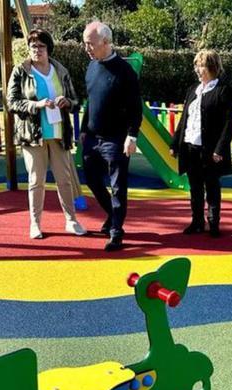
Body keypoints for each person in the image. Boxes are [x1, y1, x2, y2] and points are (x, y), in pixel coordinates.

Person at [6, 29, 86, 239]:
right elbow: (11, 102)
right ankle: (35, 223)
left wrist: (67, 102)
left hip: (59, 133)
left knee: (65, 180)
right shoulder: (20, 71)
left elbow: (76, 101)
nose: (36, 50)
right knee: (36, 181)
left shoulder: (60, 70)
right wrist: (36, 104)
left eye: (41, 46)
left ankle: (71, 220)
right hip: (33, 136)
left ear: (48, 48)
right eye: (33, 46)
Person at [80, 21, 142, 252]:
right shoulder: (91, 67)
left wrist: (132, 136)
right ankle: (112, 216)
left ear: (105, 42)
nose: (86, 48)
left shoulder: (125, 72)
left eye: (90, 43)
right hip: (93, 138)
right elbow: (90, 102)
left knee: (118, 187)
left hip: (116, 140)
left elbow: (136, 109)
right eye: (85, 43)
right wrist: (84, 129)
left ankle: (116, 232)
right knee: (92, 181)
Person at [169, 50, 232, 238]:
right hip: (190, 146)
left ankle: (213, 222)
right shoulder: (193, 90)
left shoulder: (224, 90)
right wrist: (175, 143)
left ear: (212, 68)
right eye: (196, 65)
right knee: (195, 186)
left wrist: (220, 149)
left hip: (210, 149)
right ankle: (197, 221)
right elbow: (184, 119)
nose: (198, 70)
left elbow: (229, 123)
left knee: (212, 186)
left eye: (201, 65)